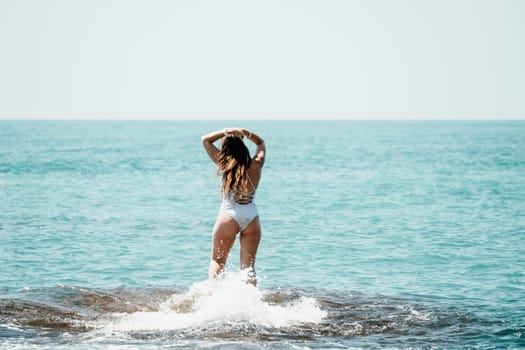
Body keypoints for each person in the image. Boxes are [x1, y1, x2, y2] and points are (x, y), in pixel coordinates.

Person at [201, 127, 266, 286]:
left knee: (217, 260)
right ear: (244, 148)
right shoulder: (256, 165)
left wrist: (226, 131)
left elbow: (206, 140)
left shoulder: (225, 164)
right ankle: (251, 300)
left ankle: (213, 296)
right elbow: (261, 143)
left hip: (229, 215)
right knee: (248, 267)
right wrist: (248, 134)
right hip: (251, 216)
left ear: (226, 150)